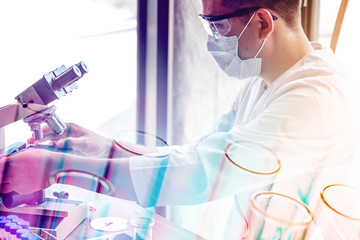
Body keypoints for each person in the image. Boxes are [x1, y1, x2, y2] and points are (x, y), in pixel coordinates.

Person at [1, 0, 359, 238]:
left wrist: (55, 167)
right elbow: (196, 151)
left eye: (217, 27)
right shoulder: (265, 83)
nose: (212, 42)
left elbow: (203, 174)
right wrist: (104, 148)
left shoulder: (316, 99)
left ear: (263, 23)